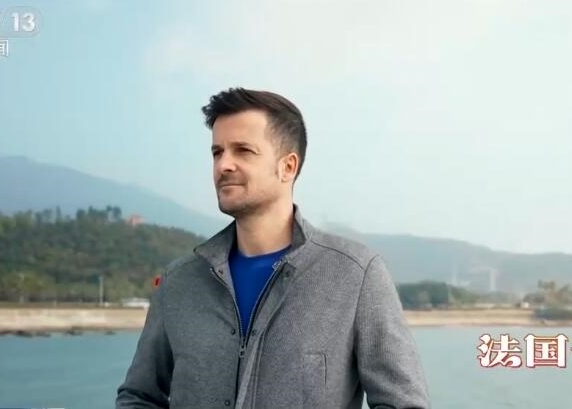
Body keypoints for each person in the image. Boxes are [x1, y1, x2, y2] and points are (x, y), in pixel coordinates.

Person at [116, 87, 429, 409]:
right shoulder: (179, 281)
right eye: (217, 152)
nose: (223, 165)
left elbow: (404, 403)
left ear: (288, 167)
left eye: (243, 151)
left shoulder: (355, 275)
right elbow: (139, 396)